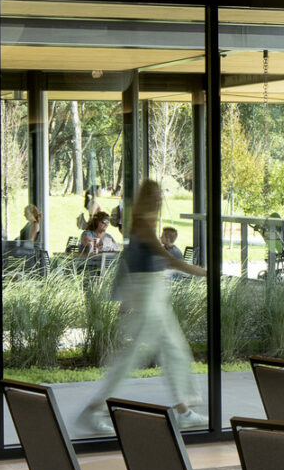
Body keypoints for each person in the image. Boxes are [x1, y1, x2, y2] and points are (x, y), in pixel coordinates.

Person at [77, 178, 204, 431]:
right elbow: (165, 257)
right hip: (148, 297)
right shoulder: (143, 225)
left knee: (174, 349)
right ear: (147, 200)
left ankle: (183, 410)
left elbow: (143, 261)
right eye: (155, 197)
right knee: (133, 356)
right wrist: (198, 271)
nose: (159, 201)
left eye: (160, 197)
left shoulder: (143, 224)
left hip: (155, 294)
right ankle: (93, 410)